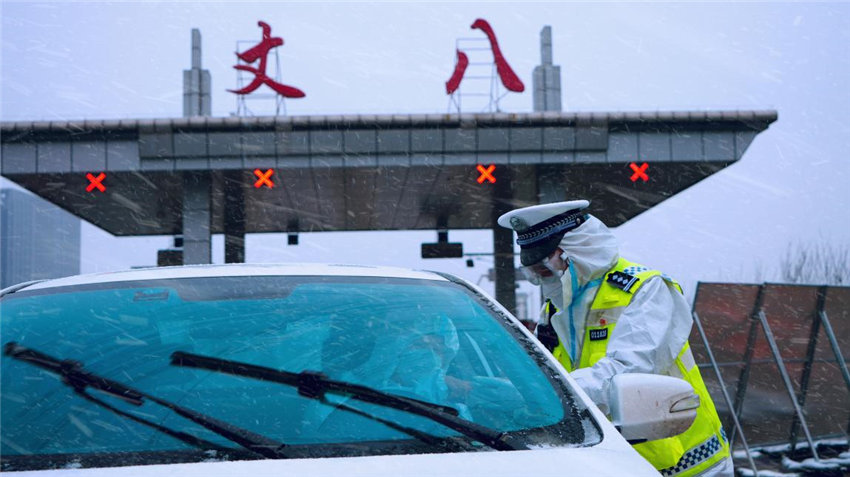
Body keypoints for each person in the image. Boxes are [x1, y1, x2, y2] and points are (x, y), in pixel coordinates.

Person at [497, 199, 733, 477]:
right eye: (534, 270)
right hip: (610, 461)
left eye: (545, 267)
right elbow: (539, 375)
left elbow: (629, 372)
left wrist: (550, 393)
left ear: (576, 250)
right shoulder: (555, 310)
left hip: (686, 464)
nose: (541, 277)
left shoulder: (645, 288)